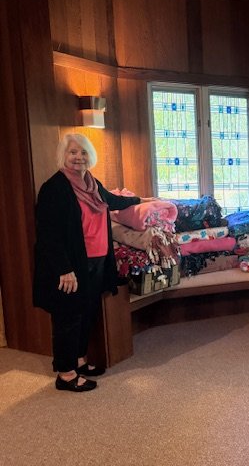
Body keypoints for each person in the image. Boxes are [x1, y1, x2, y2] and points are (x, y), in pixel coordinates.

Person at [33, 133, 153, 392]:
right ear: (63, 156)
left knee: (86, 312)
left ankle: (78, 360)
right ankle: (65, 374)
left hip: (97, 260)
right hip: (71, 266)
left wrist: (141, 201)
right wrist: (64, 269)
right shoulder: (54, 188)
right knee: (68, 317)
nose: (79, 157)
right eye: (73, 152)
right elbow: (48, 235)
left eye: (83, 152)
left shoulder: (92, 183)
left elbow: (112, 200)